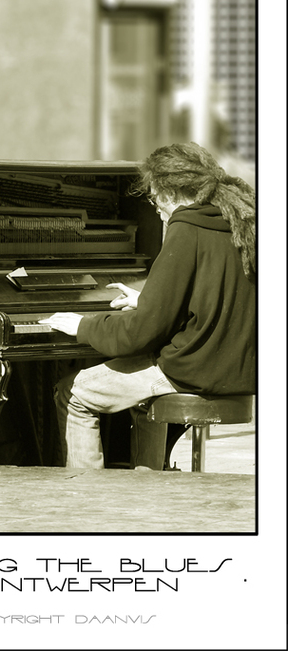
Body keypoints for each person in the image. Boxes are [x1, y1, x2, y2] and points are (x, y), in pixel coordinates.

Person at [44, 142, 256, 470]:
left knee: (73, 392)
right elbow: (213, 296)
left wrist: (84, 326)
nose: (155, 207)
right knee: (140, 402)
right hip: (238, 371)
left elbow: (141, 333)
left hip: (192, 371)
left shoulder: (187, 227)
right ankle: (147, 487)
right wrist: (147, 299)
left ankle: (84, 502)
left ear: (168, 191)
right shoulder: (239, 223)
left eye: (153, 198)